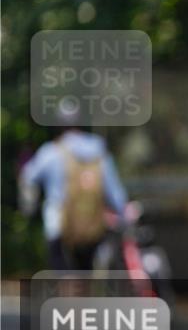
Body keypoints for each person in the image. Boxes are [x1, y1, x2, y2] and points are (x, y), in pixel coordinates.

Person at [19, 113, 129, 272]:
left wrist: (28, 210)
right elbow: (115, 191)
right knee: (86, 276)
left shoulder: (51, 152)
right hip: (93, 227)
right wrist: (123, 214)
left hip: (58, 227)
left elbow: (28, 178)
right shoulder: (98, 150)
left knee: (63, 276)